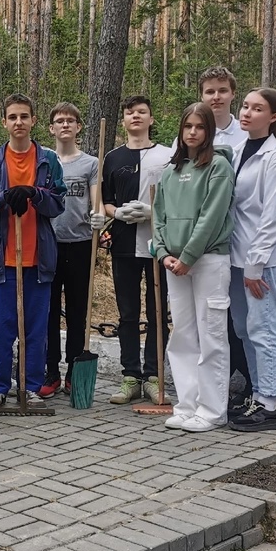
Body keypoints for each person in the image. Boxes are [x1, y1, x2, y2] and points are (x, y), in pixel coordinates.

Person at [0, 94, 67, 410]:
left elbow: (58, 204)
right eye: (12, 117)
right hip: (2, 259)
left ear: (33, 121)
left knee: (36, 331)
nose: (18, 123)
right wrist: (3, 199)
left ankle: (30, 387)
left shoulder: (48, 159)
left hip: (38, 258)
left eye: (24, 116)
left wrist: (34, 194)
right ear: (4, 122)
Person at [153, 102, 235, 432]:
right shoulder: (171, 172)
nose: (192, 132)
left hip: (208, 261)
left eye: (199, 127)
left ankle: (213, 410)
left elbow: (212, 216)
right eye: (187, 126)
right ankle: (186, 404)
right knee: (183, 336)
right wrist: (163, 253)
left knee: (212, 335)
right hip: (175, 265)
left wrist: (188, 256)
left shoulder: (218, 167)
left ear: (208, 132)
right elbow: (158, 216)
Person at [227, 87, 276, 431]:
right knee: (243, 327)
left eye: (257, 108)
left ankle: (270, 402)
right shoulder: (237, 150)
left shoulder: (275, 159)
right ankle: (257, 392)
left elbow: (273, 217)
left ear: (274, 117)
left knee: (263, 328)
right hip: (237, 257)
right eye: (246, 106)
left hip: (263, 261)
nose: (247, 112)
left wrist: (256, 264)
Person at [101, 95, 172, 404]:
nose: (136, 117)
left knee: (157, 311)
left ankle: (154, 376)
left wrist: (154, 212)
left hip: (160, 244)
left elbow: (176, 197)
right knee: (128, 313)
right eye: (130, 113)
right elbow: (105, 200)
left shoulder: (167, 156)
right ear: (124, 120)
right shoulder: (113, 158)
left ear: (151, 118)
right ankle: (130, 375)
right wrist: (115, 213)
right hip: (124, 243)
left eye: (142, 112)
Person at [192, 67, 253, 412]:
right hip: (201, 244)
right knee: (211, 319)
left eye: (222, 91)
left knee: (239, 320)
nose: (215, 97)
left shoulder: (244, 138)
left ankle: (246, 380)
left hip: (238, 240)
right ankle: (217, 382)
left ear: (233, 94)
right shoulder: (192, 133)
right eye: (209, 91)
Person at [41, 102, 105, 397]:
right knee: (49, 311)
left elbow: (97, 201)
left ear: (79, 127)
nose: (65, 125)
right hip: (49, 244)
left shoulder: (91, 163)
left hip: (80, 245)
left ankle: (73, 372)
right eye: (59, 121)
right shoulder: (44, 160)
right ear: (52, 128)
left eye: (70, 121)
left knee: (78, 312)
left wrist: (100, 215)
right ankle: (50, 371)